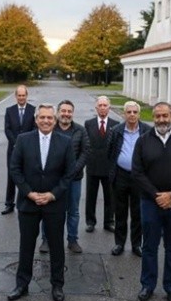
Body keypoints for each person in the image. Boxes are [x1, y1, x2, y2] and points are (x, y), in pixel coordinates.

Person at [7, 104, 75, 301]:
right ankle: (22, 284)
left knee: (56, 246)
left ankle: (57, 285)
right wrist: (29, 193)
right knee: (26, 245)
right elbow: (15, 169)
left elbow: (69, 173)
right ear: (36, 120)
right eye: (42, 117)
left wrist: (53, 195)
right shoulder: (23, 140)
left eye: (49, 118)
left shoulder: (66, 142)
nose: (46, 121)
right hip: (29, 203)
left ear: (55, 120)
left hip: (54, 203)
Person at [132, 102, 171, 301]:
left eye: (165, 115)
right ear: (153, 118)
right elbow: (137, 172)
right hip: (150, 202)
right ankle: (147, 285)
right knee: (149, 246)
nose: (161, 120)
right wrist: (156, 195)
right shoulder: (143, 140)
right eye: (158, 116)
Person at [39, 99, 90, 254]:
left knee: (73, 211)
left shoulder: (80, 130)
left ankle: (72, 240)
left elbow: (85, 151)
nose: (66, 114)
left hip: (74, 179)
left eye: (69, 111)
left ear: (72, 113)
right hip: (53, 179)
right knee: (49, 210)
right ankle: (46, 240)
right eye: (63, 111)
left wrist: (72, 170)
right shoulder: (51, 129)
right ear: (58, 113)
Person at [107, 101, 150, 257]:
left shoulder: (147, 130)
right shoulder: (116, 131)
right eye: (129, 112)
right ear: (124, 114)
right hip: (121, 175)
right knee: (120, 212)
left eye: (135, 112)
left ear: (139, 114)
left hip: (139, 177)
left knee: (138, 212)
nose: (132, 115)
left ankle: (136, 244)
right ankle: (119, 243)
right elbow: (110, 152)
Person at [83, 96, 119, 232]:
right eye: (100, 105)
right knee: (90, 196)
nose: (103, 108)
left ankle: (109, 222)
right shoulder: (88, 123)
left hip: (109, 166)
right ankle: (90, 222)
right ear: (96, 108)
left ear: (109, 108)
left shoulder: (115, 124)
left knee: (110, 197)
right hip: (92, 165)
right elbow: (86, 144)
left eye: (105, 105)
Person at [2, 85, 35, 215]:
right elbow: (7, 129)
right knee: (11, 176)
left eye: (23, 95)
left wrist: (25, 144)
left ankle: (25, 202)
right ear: (16, 96)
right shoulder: (9, 110)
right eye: (19, 95)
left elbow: (34, 128)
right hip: (13, 149)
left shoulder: (33, 110)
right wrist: (16, 143)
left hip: (28, 150)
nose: (21, 98)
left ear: (27, 96)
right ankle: (9, 204)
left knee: (27, 175)